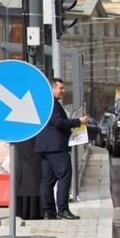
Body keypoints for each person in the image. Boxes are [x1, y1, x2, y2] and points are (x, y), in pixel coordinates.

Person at [35, 78, 88, 220]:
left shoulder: (45, 103)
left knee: (48, 180)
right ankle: (63, 210)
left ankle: (48, 212)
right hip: (56, 147)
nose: (63, 91)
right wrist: (79, 121)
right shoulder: (53, 103)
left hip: (45, 146)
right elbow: (58, 122)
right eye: (61, 88)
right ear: (52, 89)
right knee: (64, 176)